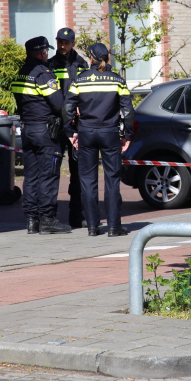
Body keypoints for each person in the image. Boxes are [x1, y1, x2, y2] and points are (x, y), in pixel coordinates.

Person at [64, 43, 134, 237]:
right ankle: (113, 227)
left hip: (86, 133)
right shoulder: (117, 80)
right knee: (112, 180)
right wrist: (127, 135)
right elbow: (128, 111)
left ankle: (93, 227)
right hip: (110, 133)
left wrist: (70, 132)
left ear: (91, 58)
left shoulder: (80, 80)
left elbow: (68, 108)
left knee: (87, 181)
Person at [10, 36, 72, 235]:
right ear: (42, 53)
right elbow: (58, 103)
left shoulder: (21, 73)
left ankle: (31, 220)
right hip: (46, 132)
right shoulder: (44, 74)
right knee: (49, 175)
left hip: (28, 130)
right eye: (46, 52)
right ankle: (47, 219)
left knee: (31, 176)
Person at [48, 27, 89, 229]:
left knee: (77, 172)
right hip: (57, 125)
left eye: (65, 42)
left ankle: (76, 215)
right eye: (59, 42)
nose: (62, 46)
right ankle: (49, 217)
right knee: (52, 171)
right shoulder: (50, 65)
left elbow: (86, 91)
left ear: (73, 43)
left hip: (75, 125)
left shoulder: (82, 64)